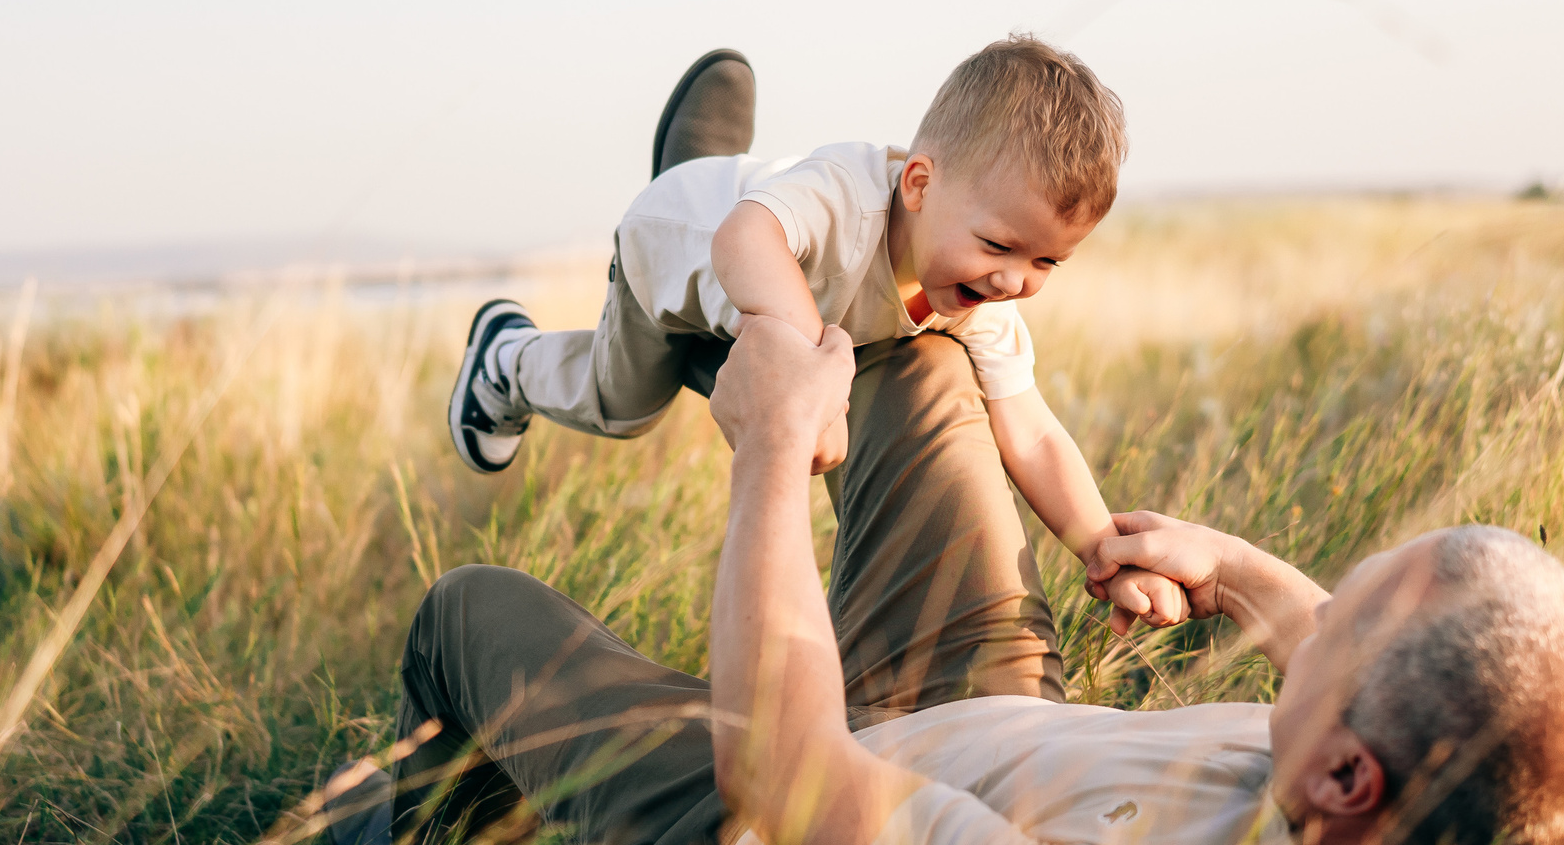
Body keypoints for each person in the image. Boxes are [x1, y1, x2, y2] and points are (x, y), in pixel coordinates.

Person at [337, 311, 1564, 845]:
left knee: (471, 614)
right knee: (912, 345)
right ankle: (687, 277)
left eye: (1343, 608)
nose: (1312, 611)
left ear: (1344, 772)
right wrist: (1238, 565)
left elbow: (792, 776)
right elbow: (1383, 668)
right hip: (990, 711)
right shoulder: (1455, 814)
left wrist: (770, 451)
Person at [444, 38, 1194, 632]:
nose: (1011, 281)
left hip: (758, 309)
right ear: (918, 184)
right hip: (672, 257)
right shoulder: (845, 195)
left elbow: (1030, 432)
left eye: (1046, 261)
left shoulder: (982, 296)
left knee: (798, 351)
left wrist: (1100, 543)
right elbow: (744, 237)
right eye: (998, 247)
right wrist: (814, 369)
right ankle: (506, 357)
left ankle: (711, 168)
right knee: (624, 402)